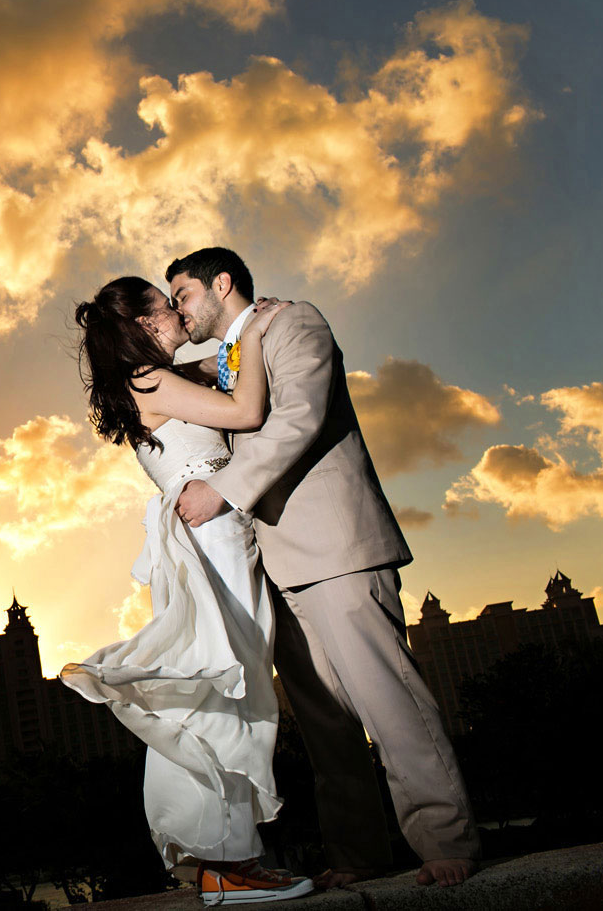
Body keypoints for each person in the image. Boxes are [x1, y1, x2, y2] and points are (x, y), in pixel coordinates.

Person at [168, 247, 480, 889]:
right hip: (275, 568)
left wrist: (222, 492)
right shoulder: (227, 356)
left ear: (221, 282)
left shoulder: (294, 323)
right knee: (325, 726)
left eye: (184, 295)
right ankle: (361, 853)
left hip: (338, 550)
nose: (178, 308)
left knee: (390, 703)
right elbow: (175, 373)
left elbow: (299, 416)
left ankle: (446, 841)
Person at [61, 275, 313, 906]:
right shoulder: (152, 381)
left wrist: (235, 339)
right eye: (165, 306)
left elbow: (216, 365)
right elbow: (249, 412)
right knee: (227, 686)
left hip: (212, 532)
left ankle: (223, 859)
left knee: (220, 684)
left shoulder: (148, 378)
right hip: (212, 537)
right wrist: (253, 329)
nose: (177, 312)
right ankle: (226, 865)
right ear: (145, 324)